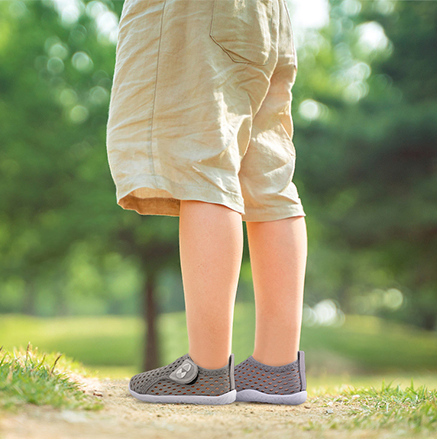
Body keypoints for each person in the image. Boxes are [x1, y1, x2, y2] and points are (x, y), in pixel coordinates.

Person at [106, 0, 308, 405]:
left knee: (203, 162)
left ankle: (207, 369)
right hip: (268, 15)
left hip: (197, 11)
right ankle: (276, 367)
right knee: (268, 177)